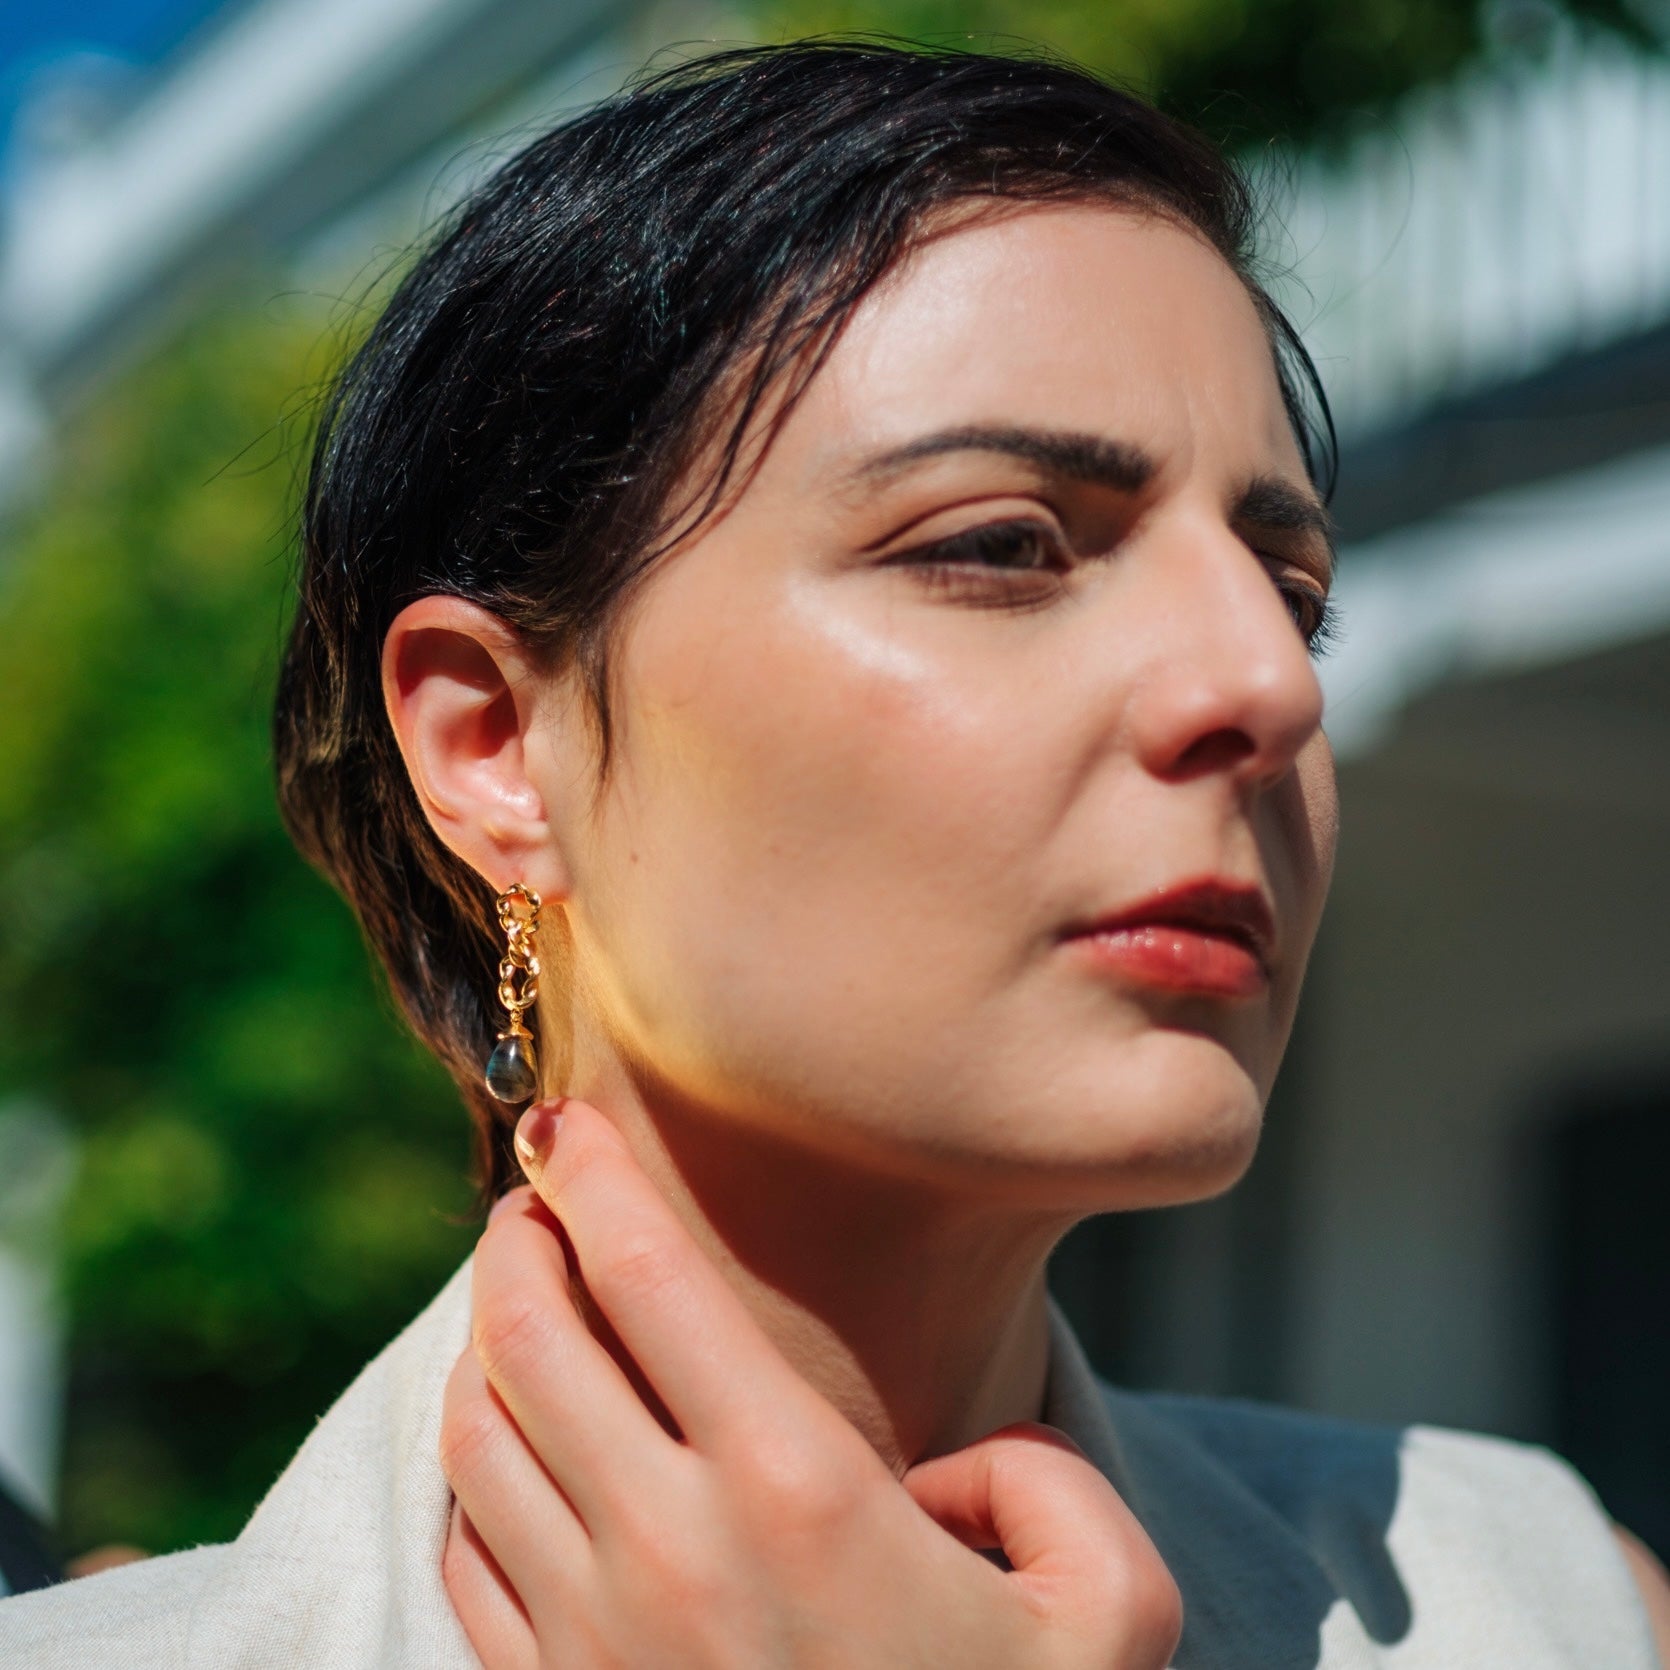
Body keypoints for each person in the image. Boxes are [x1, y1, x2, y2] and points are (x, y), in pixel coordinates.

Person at [2, 40, 1667, 1669]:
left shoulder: (1539, 1599)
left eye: (1293, 595)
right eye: (1001, 544)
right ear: (497, 745)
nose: (1264, 688)